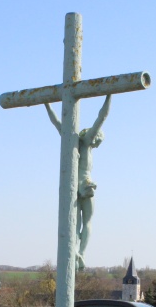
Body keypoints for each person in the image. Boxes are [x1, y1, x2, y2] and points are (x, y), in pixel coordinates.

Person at [45, 95, 111, 270]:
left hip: (72, 183)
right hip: (85, 183)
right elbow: (102, 117)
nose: (97, 143)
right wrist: (109, 94)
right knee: (86, 221)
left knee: (74, 222)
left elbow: (55, 121)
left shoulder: (69, 138)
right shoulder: (87, 141)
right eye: (99, 139)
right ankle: (80, 252)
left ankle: (76, 251)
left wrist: (46, 103)